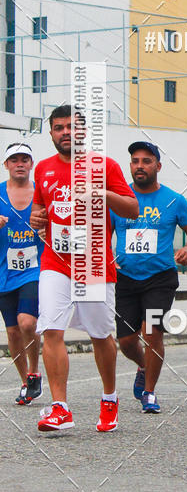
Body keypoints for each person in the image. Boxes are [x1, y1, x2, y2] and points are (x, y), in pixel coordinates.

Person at [30, 106, 138, 432]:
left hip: (93, 262)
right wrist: (37, 220)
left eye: (71, 127)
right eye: (58, 128)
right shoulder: (44, 169)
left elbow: (132, 208)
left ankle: (109, 397)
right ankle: (60, 408)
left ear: (83, 132)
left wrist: (103, 194)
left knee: (100, 335)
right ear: (50, 134)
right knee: (50, 328)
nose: (65, 132)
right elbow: (40, 210)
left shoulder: (104, 166)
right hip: (54, 262)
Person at [112, 142, 187, 414]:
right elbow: (101, 231)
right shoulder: (118, 198)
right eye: (135, 160)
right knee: (126, 341)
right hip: (125, 278)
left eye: (147, 161)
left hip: (159, 279)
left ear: (158, 166)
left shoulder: (174, 200)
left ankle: (149, 392)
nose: (140, 165)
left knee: (151, 332)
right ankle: (143, 365)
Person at [0, 143, 44, 405]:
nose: (19, 163)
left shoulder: (41, 194)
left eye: (24, 159)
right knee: (13, 332)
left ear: (31, 164)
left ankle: (35, 370)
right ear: (6, 165)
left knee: (27, 322)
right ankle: (26, 381)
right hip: (4, 272)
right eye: (13, 159)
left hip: (34, 269)